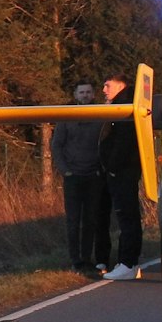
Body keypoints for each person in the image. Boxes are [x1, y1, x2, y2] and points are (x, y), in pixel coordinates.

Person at [53, 82, 111, 277]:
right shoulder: (66, 118)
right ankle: (75, 260)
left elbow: (105, 145)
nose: (85, 95)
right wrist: (65, 171)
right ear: (75, 95)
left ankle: (87, 259)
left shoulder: (99, 117)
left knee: (90, 220)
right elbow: (57, 147)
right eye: (81, 92)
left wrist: (100, 169)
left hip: (93, 176)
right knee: (73, 220)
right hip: (73, 177)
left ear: (93, 94)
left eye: (88, 92)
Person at [100, 74, 148, 281]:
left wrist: (112, 166)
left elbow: (123, 141)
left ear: (121, 86)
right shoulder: (121, 105)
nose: (104, 90)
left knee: (127, 216)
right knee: (126, 216)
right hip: (121, 170)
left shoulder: (124, 108)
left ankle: (127, 262)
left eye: (107, 85)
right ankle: (128, 262)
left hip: (122, 172)